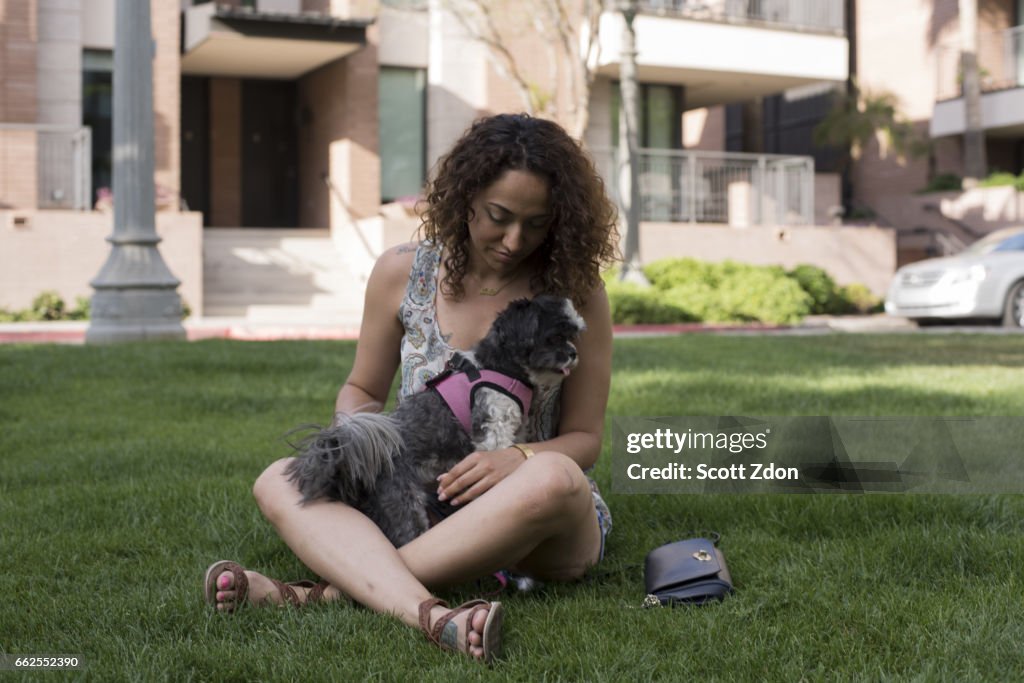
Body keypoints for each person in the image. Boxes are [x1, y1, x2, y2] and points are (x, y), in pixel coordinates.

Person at [204, 113, 620, 663]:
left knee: (555, 477)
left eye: (537, 224)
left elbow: (585, 439)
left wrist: (515, 458)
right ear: (467, 197)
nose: (515, 240)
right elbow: (361, 388)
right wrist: (362, 438)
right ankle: (432, 613)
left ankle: (324, 592)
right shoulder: (403, 273)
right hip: (417, 499)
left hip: (534, 519)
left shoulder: (576, 294)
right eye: (499, 217)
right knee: (278, 479)